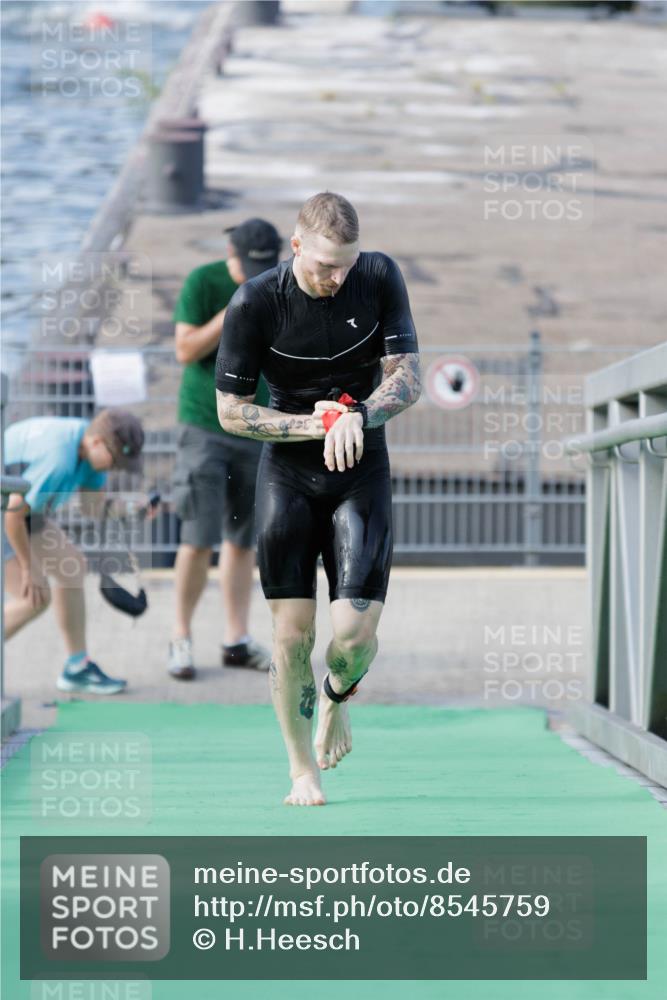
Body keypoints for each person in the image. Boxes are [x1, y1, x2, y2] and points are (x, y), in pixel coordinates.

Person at [215, 192, 421, 805]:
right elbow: (230, 411)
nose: (338, 277)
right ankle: (301, 768)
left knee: (354, 634)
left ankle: (335, 699)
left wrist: (360, 414)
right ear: (296, 245)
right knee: (291, 635)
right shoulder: (255, 300)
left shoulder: (378, 275)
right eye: (326, 265)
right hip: (289, 473)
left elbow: (407, 378)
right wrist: (319, 424)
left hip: (361, 466)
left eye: (346, 264)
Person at [169, 219, 283, 680]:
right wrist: (233, 310)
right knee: (198, 539)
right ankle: (180, 636)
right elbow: (184, 348)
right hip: (204, 423)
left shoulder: (277, 287)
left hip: (254, 428)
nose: (254, 272)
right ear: (231, 255)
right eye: (247, 265)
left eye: (264, 266)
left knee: (242, 540)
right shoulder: (204, 281)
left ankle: (236, 638)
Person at [3, 408, 145, 694]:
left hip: (24, 511)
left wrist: (134, 508)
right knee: (34, 597)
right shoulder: (59, 460)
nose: (116, 467)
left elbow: (92, 508)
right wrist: (28, 568)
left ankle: (77, 668)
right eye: (115, 459)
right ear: (96, 443)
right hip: (8, 511)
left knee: (72, 567)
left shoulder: (88, 447)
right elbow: (13, 514)